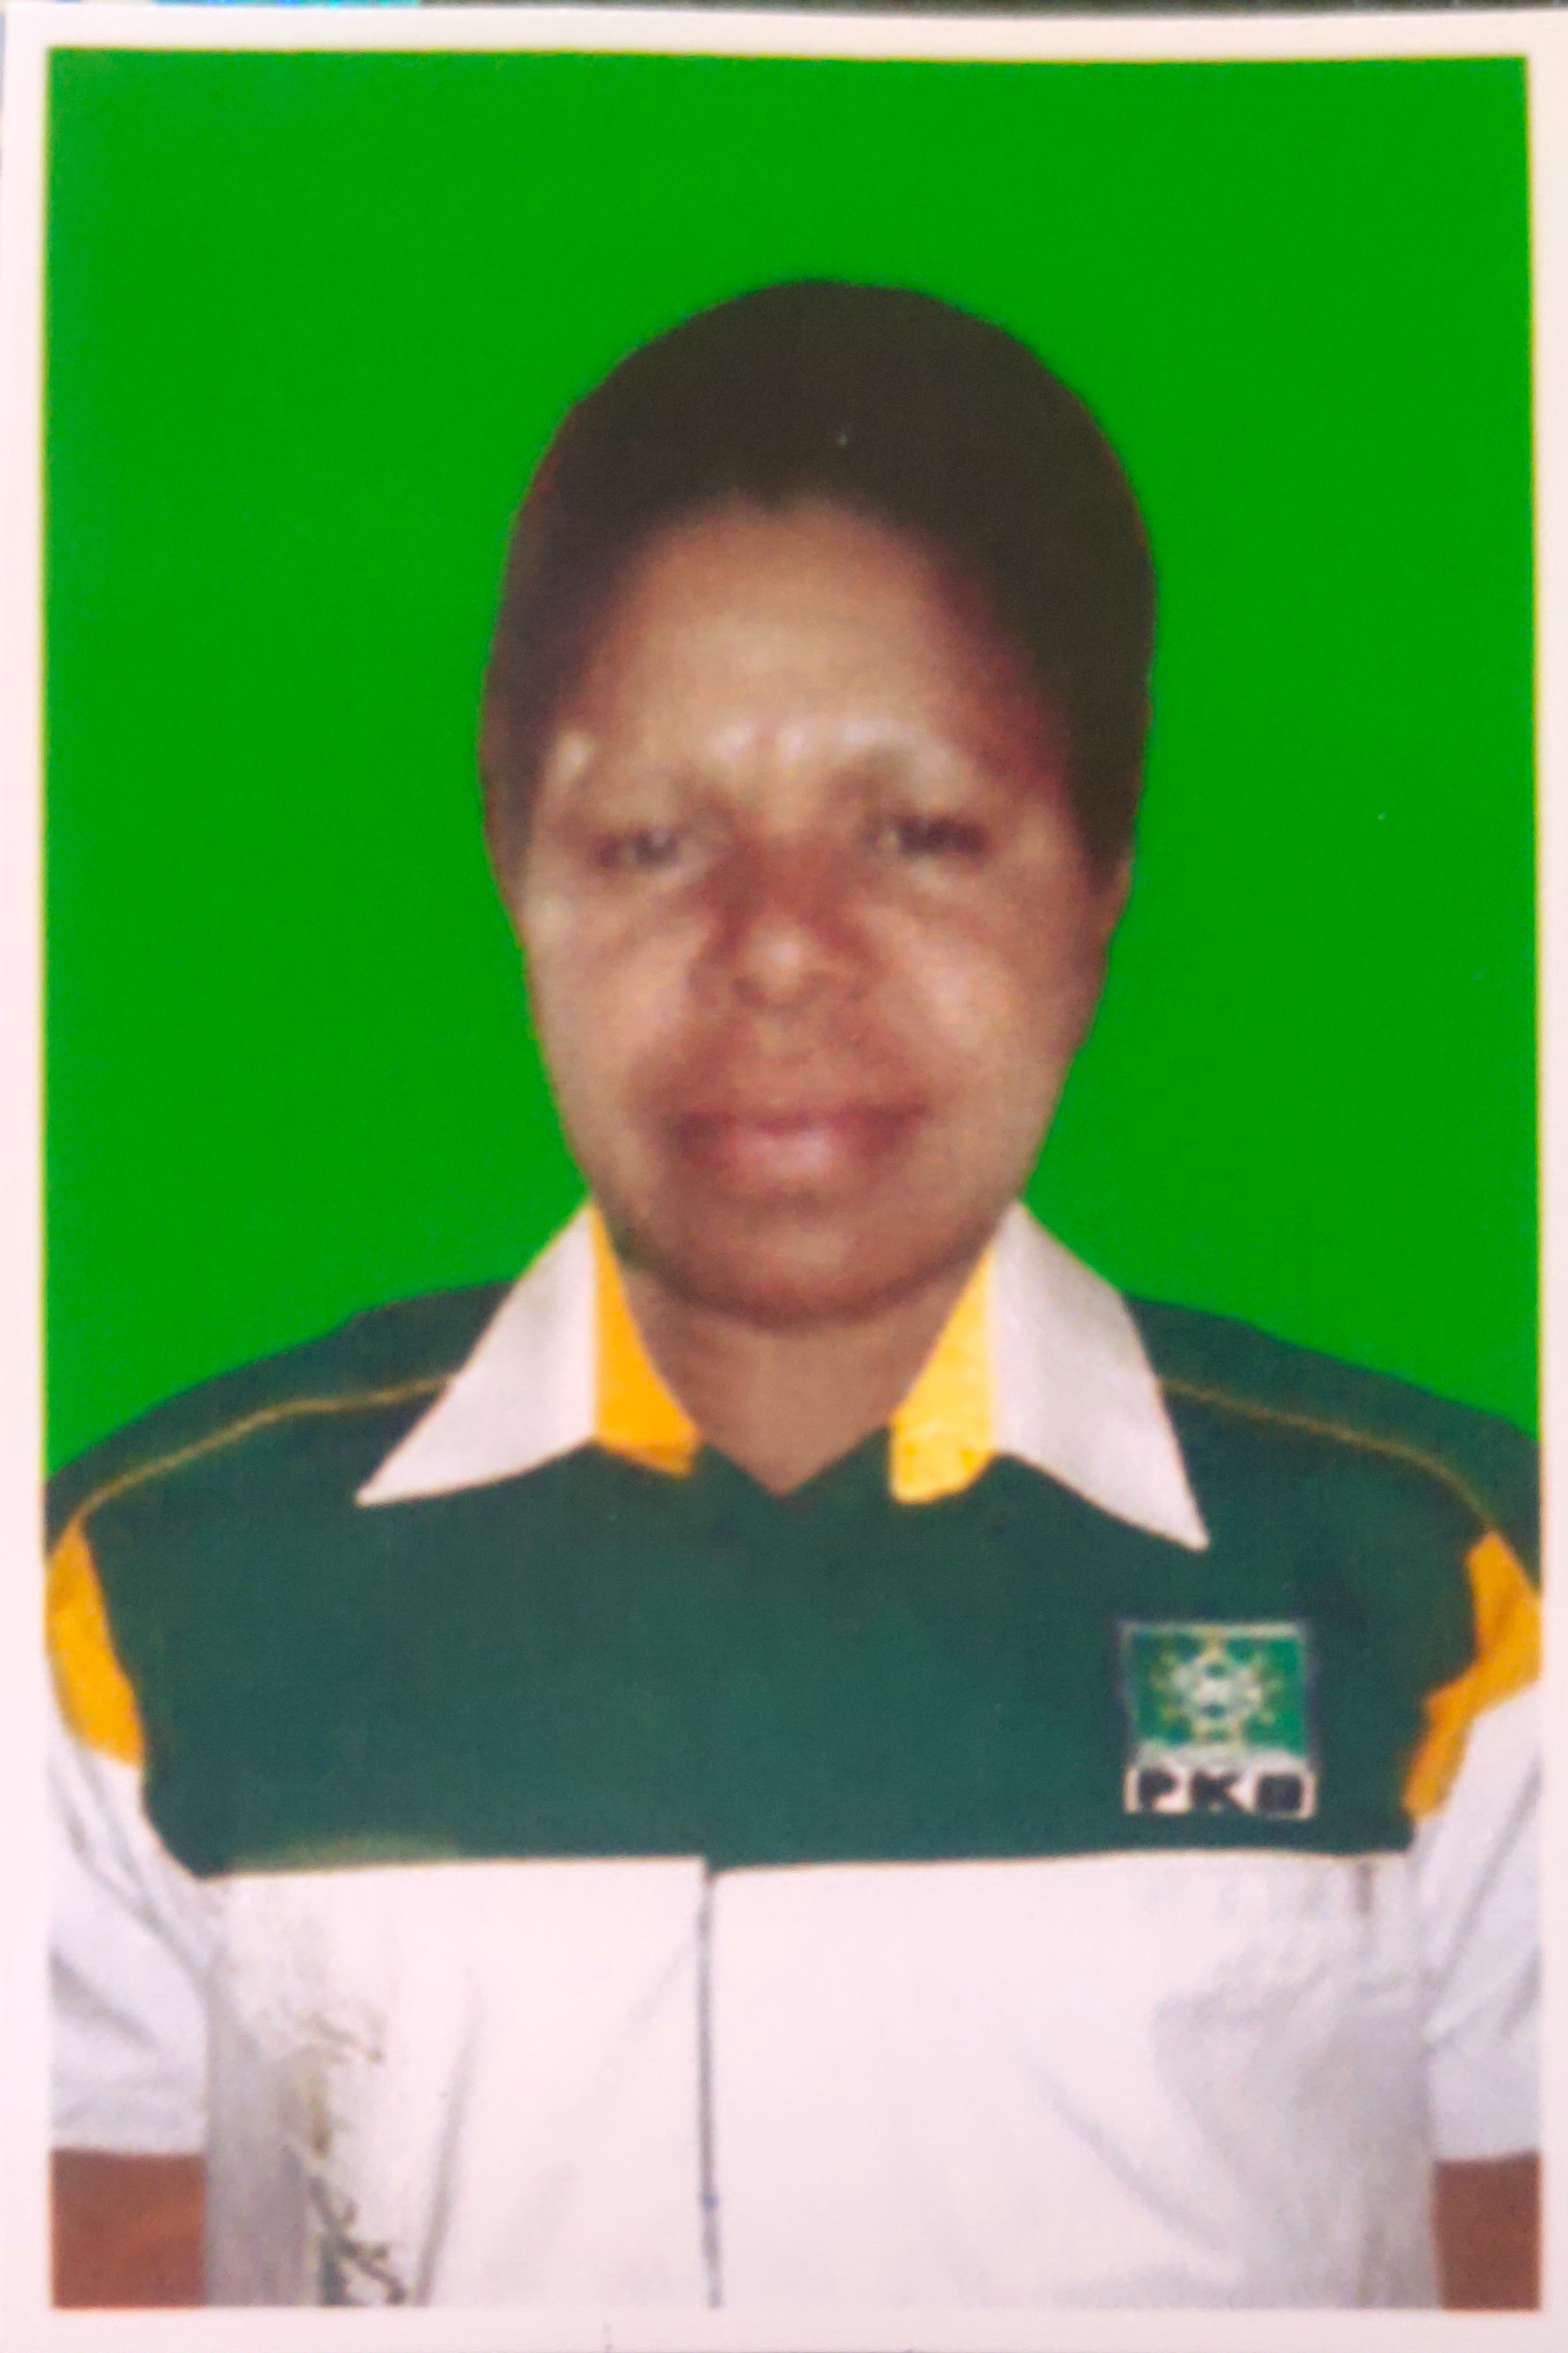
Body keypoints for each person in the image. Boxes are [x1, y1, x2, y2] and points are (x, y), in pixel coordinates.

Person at [48, 281, 1539, 2311]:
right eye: (652, 837)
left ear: (1098, 880)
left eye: (917, 831)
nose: (774, 948)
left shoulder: (1443, 1581)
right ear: (516, 870)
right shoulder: (153, 1596)